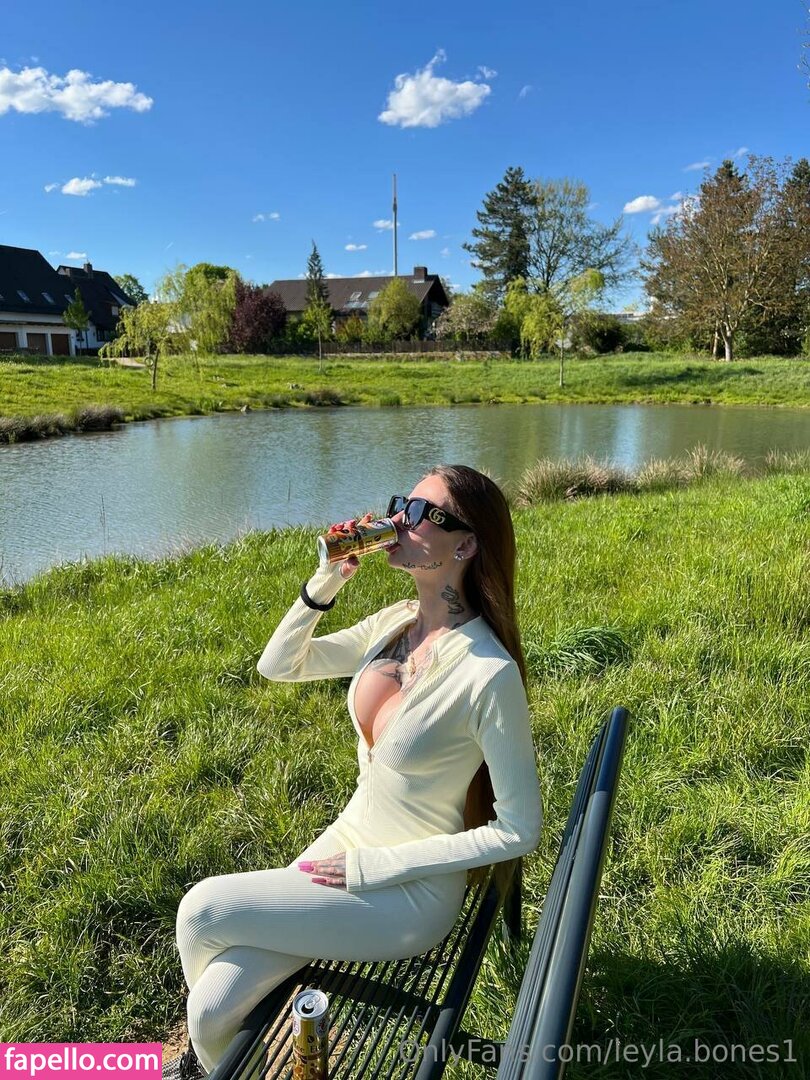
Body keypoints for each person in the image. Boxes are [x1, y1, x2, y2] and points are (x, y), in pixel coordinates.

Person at [173, 464, 543, 1075]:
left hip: (408, 893)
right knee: (210, 1010)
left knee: (202, 909)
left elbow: (520, 829)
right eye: (401, 503)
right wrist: (327, 578)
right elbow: (280, 665)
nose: (397, 520)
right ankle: (216, 1065)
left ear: (465, 546)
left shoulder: (488, 674)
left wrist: (374, 868)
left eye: (421, 513)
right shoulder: (397, 622)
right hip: (347, 843)